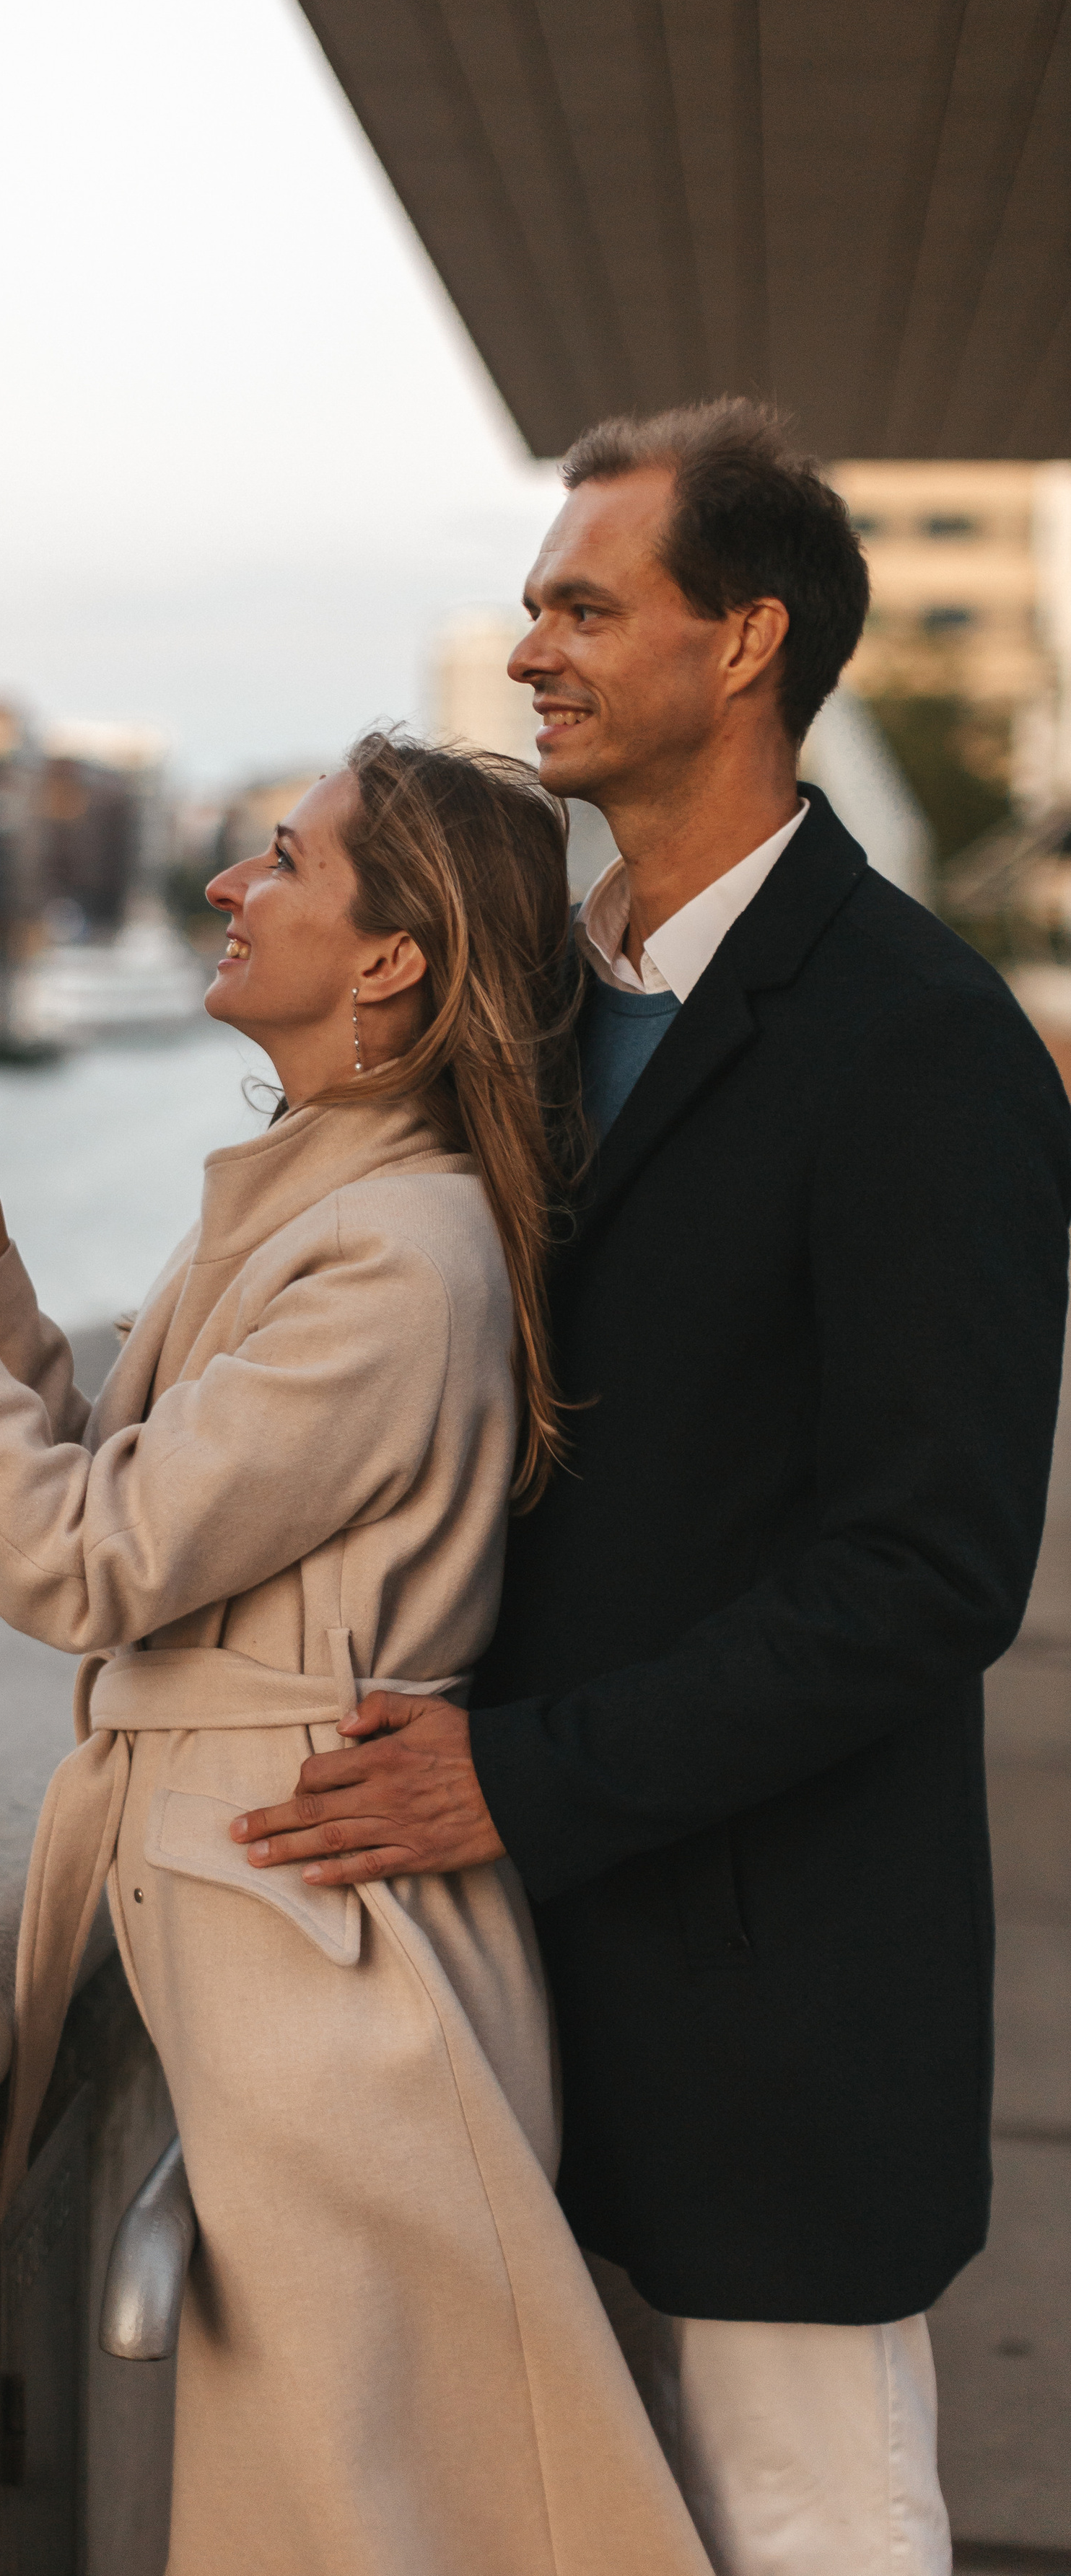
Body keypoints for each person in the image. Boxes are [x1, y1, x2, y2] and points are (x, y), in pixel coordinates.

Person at [232, 402, 1071, 2576]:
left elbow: (928, 1568)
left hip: (764, 1981)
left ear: (750, 641)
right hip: (499, 1976)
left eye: (588, 606)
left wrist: (522, 1779)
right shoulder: (528, 1006)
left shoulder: (922, 1038)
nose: (535, 649)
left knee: (812, 2532)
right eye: (532, 606)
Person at [0, 733, 713, 2576]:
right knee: (344, 2499)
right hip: (266, 1916)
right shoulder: (324, 1198)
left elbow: (79, 1562)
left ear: (388, 958)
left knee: (384, 2509)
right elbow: (125, 1490)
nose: (224, 888)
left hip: (316, 1944)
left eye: (278, 860)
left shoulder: (393, 1256)